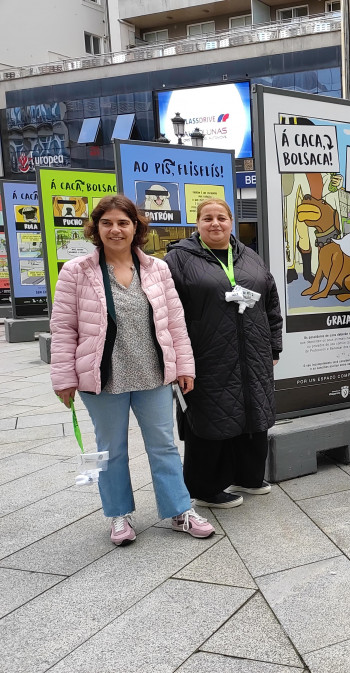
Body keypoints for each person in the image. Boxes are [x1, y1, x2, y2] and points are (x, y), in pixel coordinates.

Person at [50, 195, 213, 546]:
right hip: (103, 377)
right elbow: (63, 328)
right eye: (107, 223)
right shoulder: (76, 271)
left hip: (152, 373)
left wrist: (184, 365)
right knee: (110, 448)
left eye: (123, 222)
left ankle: (179, 510)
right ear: (96, 228)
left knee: (164, 445)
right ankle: (118, 515)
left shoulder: (156, 269)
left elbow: (175, 323)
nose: (115, 229)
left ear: (136, 227)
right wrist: (63, 377)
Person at [165, 198, 283, 508]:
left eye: (221, 217)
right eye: (207, 218)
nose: (215, 223)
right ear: (197, 224)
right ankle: (205, 488)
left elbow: (271, 302)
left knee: (252, 414)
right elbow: (168, 313)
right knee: (210, 418)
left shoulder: (249, 257)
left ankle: (247, 475)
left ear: (231, 222)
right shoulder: (178, 260)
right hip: (207, 355)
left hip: (253, 354)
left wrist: (274, 346)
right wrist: (177, 359)